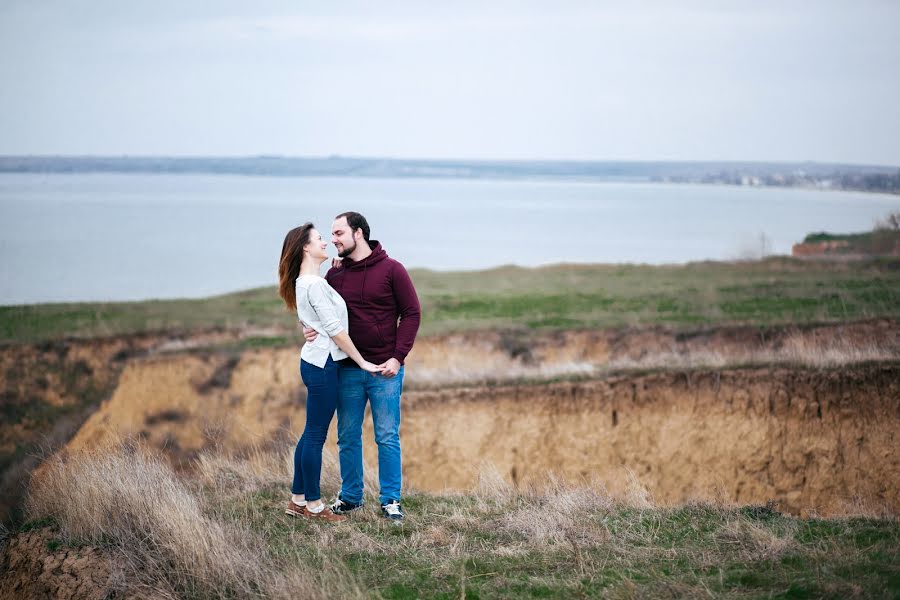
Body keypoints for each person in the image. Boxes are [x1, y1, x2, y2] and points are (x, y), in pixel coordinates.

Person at [303, 211, 421, 521]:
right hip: (347, 369)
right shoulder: (335, 274)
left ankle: (391, 500)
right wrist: (308, 328)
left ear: (358, 234)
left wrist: (398, 357)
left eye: (339, 233)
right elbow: (321, 313)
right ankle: (352, 497)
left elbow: (411, 313)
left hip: (385, 369)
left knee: (386, 435)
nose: (333, 240)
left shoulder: (393, 270)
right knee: (348, 435)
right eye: (330, 234)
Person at [278, 222, 383, 522]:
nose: (326, 242)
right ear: (306, 248)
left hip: (315, 362)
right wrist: (362, 361)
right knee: (315, 436)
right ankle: (313, 505)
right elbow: (336, 331)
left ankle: (297, 500)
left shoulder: (308, 281)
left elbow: (317, 314)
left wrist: (332, 271)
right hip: (323, 365)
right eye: (320, 239)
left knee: (310, 433)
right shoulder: (313, 284)